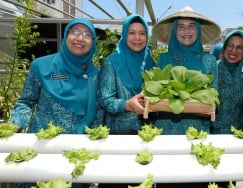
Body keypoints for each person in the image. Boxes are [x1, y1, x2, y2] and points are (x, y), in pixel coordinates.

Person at [6, 18, 101, 188]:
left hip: (75, 154)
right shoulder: (41, 66)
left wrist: (94, 147)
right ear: (66, 36)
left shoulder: (97, 76)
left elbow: (99, 115)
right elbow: (26, 101)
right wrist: (16, 124)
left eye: (87, 35)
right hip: (41, 148)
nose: (80, 38)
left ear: (93, 43)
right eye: (75, 32)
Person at [151, 6, 221, 135]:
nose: (186, 31)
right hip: (166, 129)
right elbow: (156, 94)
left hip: (197, 130)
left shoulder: (209, 61)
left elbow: (213, 97)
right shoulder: (163, 58)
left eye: (191, 26)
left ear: (198, 30)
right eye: (181, 26)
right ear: (174, 31)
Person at [98, 14, 155, 135]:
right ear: (124, 35)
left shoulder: (150, 63)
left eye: (142, 33)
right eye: (132, 33)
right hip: (120, 133)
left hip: (147, 131)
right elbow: (106, 100)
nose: (137, 38)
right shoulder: (111, 62)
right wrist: (127, 105)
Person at [213, 29, 243, 134]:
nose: (234, 51)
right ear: (224, 47)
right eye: (230, 46)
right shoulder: (213, 69)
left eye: (239, 48)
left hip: (239, 133)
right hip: (214, 133)